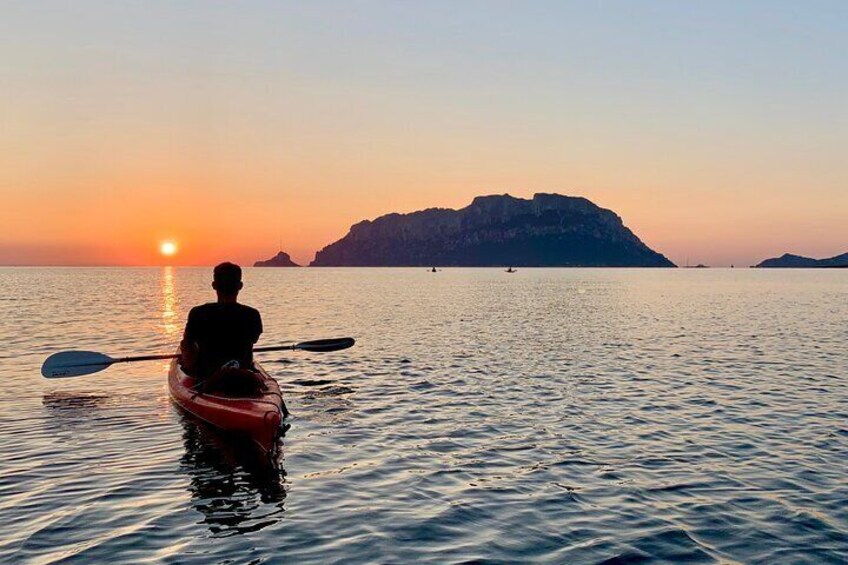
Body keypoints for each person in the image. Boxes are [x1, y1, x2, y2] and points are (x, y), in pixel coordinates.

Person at [180, 262, 267, 396]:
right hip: (243, 377)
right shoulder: (252, 314)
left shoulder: (198, 313)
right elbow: (253, 339)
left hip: (209, 378)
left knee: (185, 346)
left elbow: (188, 344)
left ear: (214, 285)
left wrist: (186, 365)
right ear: (240, 286)